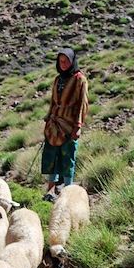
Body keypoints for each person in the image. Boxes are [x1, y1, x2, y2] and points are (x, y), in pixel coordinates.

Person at [41, 47, 89, 202]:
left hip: (69, 124)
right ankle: (50, 189)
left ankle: (68, 192)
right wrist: (48, 118)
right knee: (51, 155)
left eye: (66, 61)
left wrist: (78, 126)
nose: (63, 64)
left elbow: (83, 103)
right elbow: (53, 102)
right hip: (54, 124)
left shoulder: (79, 79)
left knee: (68, 157)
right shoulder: (58, 79)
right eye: (60, 61)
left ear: (72, 61)